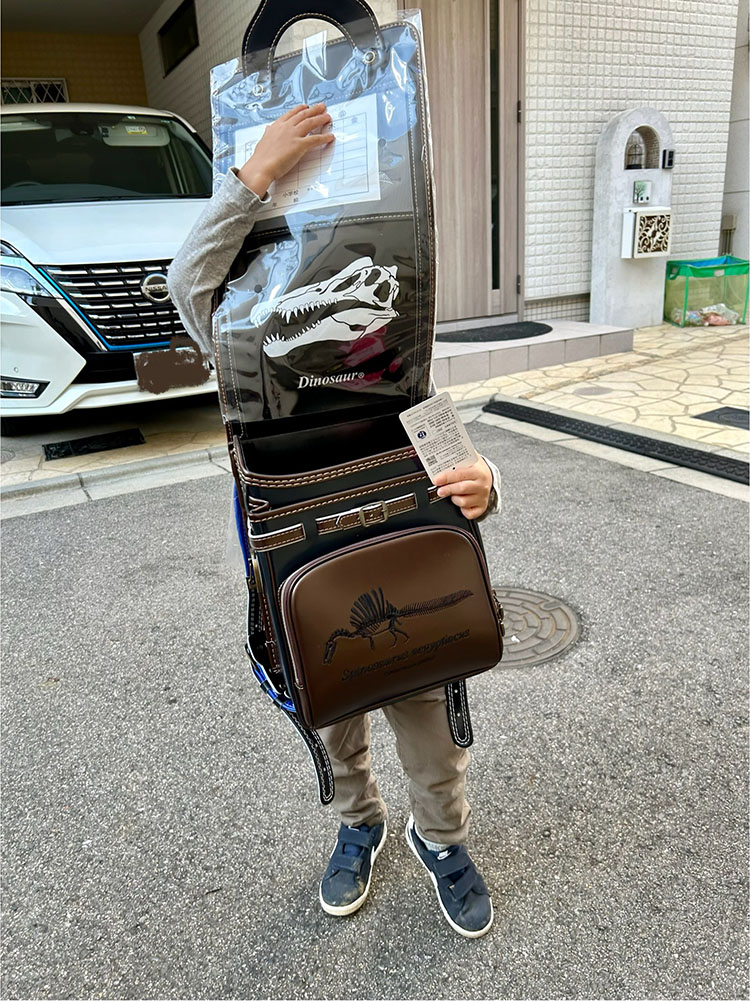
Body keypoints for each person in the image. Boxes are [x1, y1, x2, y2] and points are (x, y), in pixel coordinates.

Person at [168, 103, 502, 939]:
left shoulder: (394, 351)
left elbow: (449, 444)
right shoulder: (243, 345)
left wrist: (484, 482)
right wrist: (253, 178)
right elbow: (187, 282)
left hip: (406, 561)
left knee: (433, 734)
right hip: (298, 567)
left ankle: (441, 837)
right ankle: (360, 822)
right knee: (332, 717)